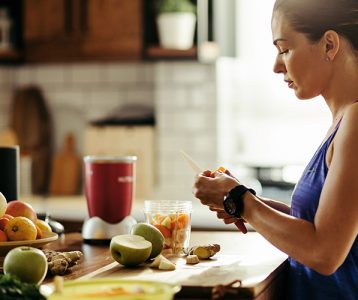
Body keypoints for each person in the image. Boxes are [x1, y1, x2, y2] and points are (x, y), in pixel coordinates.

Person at [193, 0, 358, 299]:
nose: (276, 65)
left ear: (329, 45)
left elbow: (325, 253)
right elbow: (316, 224)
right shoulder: (344, 121)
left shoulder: (356, 123)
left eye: (284, 49)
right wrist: (248, 200)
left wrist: (239, 200)